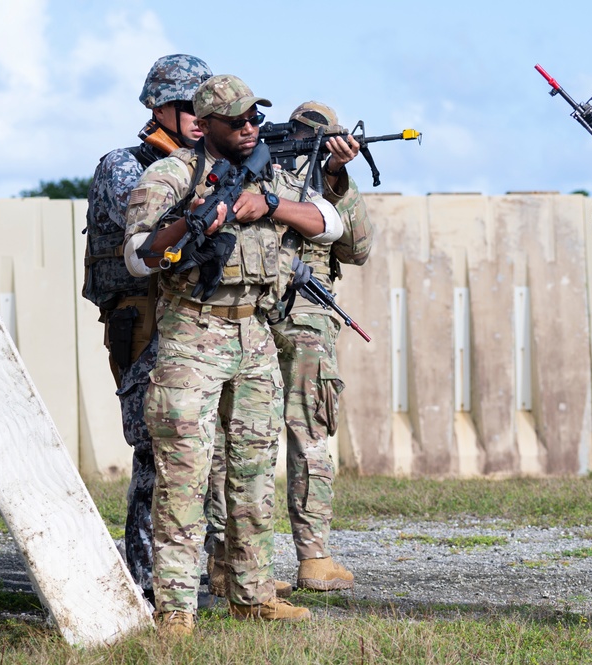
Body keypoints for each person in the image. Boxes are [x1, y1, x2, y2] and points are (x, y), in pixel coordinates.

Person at [123, 74, 344, 636]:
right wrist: (198, 219)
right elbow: (138, 256)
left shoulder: (271, 173)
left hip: (255, 338)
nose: (250, 130)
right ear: (207, 126)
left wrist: (267, 205)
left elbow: (329, 223)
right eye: (237, 122)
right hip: (192, 337)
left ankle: (252, 594)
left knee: (251, 474)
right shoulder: (169, 176)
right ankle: (175, 610)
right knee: (185, 477)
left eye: (253, 120)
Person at [204, 101, 371, 594]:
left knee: (251, 434)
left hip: (281, 312)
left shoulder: (319, 177)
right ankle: (299, 558)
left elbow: (357, 247)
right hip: (270, 312)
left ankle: (241, 561)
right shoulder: (256, 168)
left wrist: (337, 180)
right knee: (294, 434)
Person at [82, 53, 212, 602]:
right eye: (191, 106)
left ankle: (198, 570)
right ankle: (144, 574)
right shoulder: (125, 164)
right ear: (161, 107)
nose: (203, 117)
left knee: (200, 449)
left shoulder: (203, 163)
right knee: (156, 452)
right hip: (140, 318)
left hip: (187, 320)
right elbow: (156, 230)